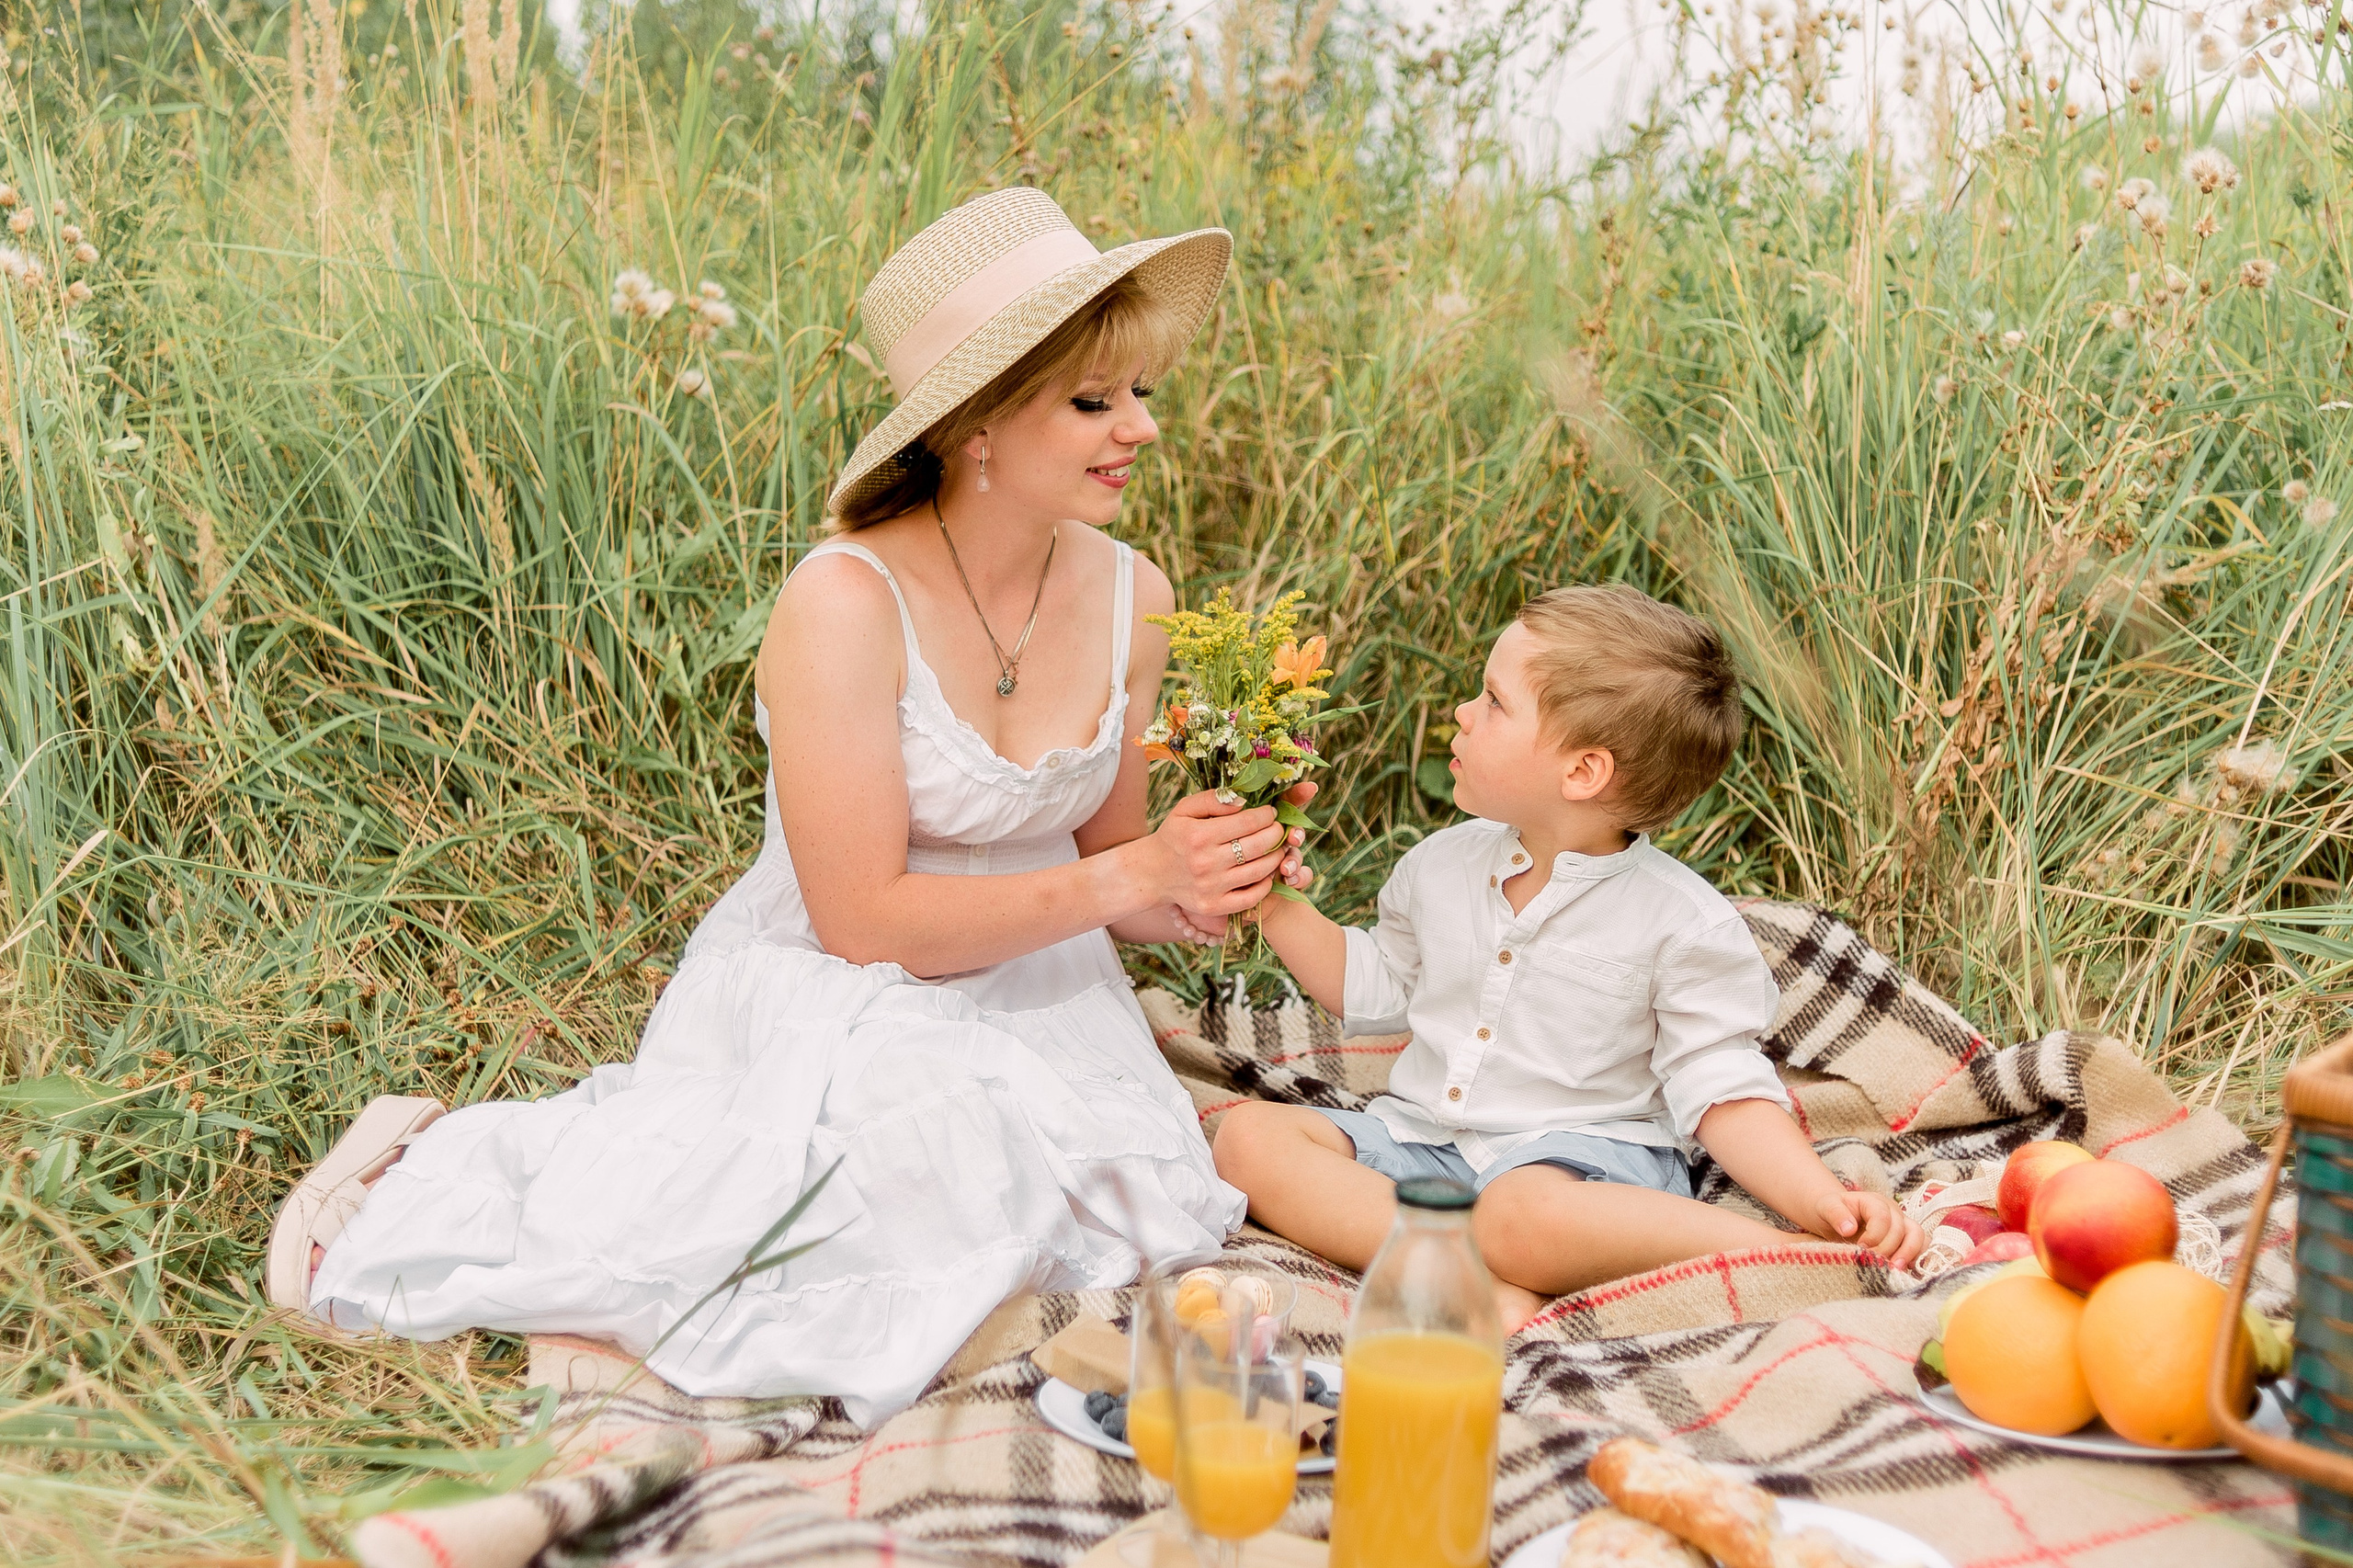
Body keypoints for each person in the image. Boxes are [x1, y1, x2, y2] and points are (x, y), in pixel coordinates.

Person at [266, 188, 1307, 1423]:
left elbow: (1111, 860)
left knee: (1103, 1219)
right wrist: (1124, 883)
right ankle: (417, 1162)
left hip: (1045, 988)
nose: (1139, 425)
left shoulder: (1137, 591)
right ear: (978, 422)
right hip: (850, 983)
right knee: (866, 1192)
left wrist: (1196, 878)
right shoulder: (844, 602)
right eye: (1095, 401)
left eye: (1139, 393)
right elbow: (863, 917)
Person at [1212, 585, 1926, 1332]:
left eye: (1492, 702)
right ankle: (1471, 1283)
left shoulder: (1681, 923)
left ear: (1582, 773)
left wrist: (1818, 1199)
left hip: (1579, 1167)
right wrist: (1271, 904)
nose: (1461, 713)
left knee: (1520, 1218)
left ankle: (1770, 1251)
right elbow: (1376, 989)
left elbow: (1722, 1087)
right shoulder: (1440, 865)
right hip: (1425, 1142)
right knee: (1248, 1139)